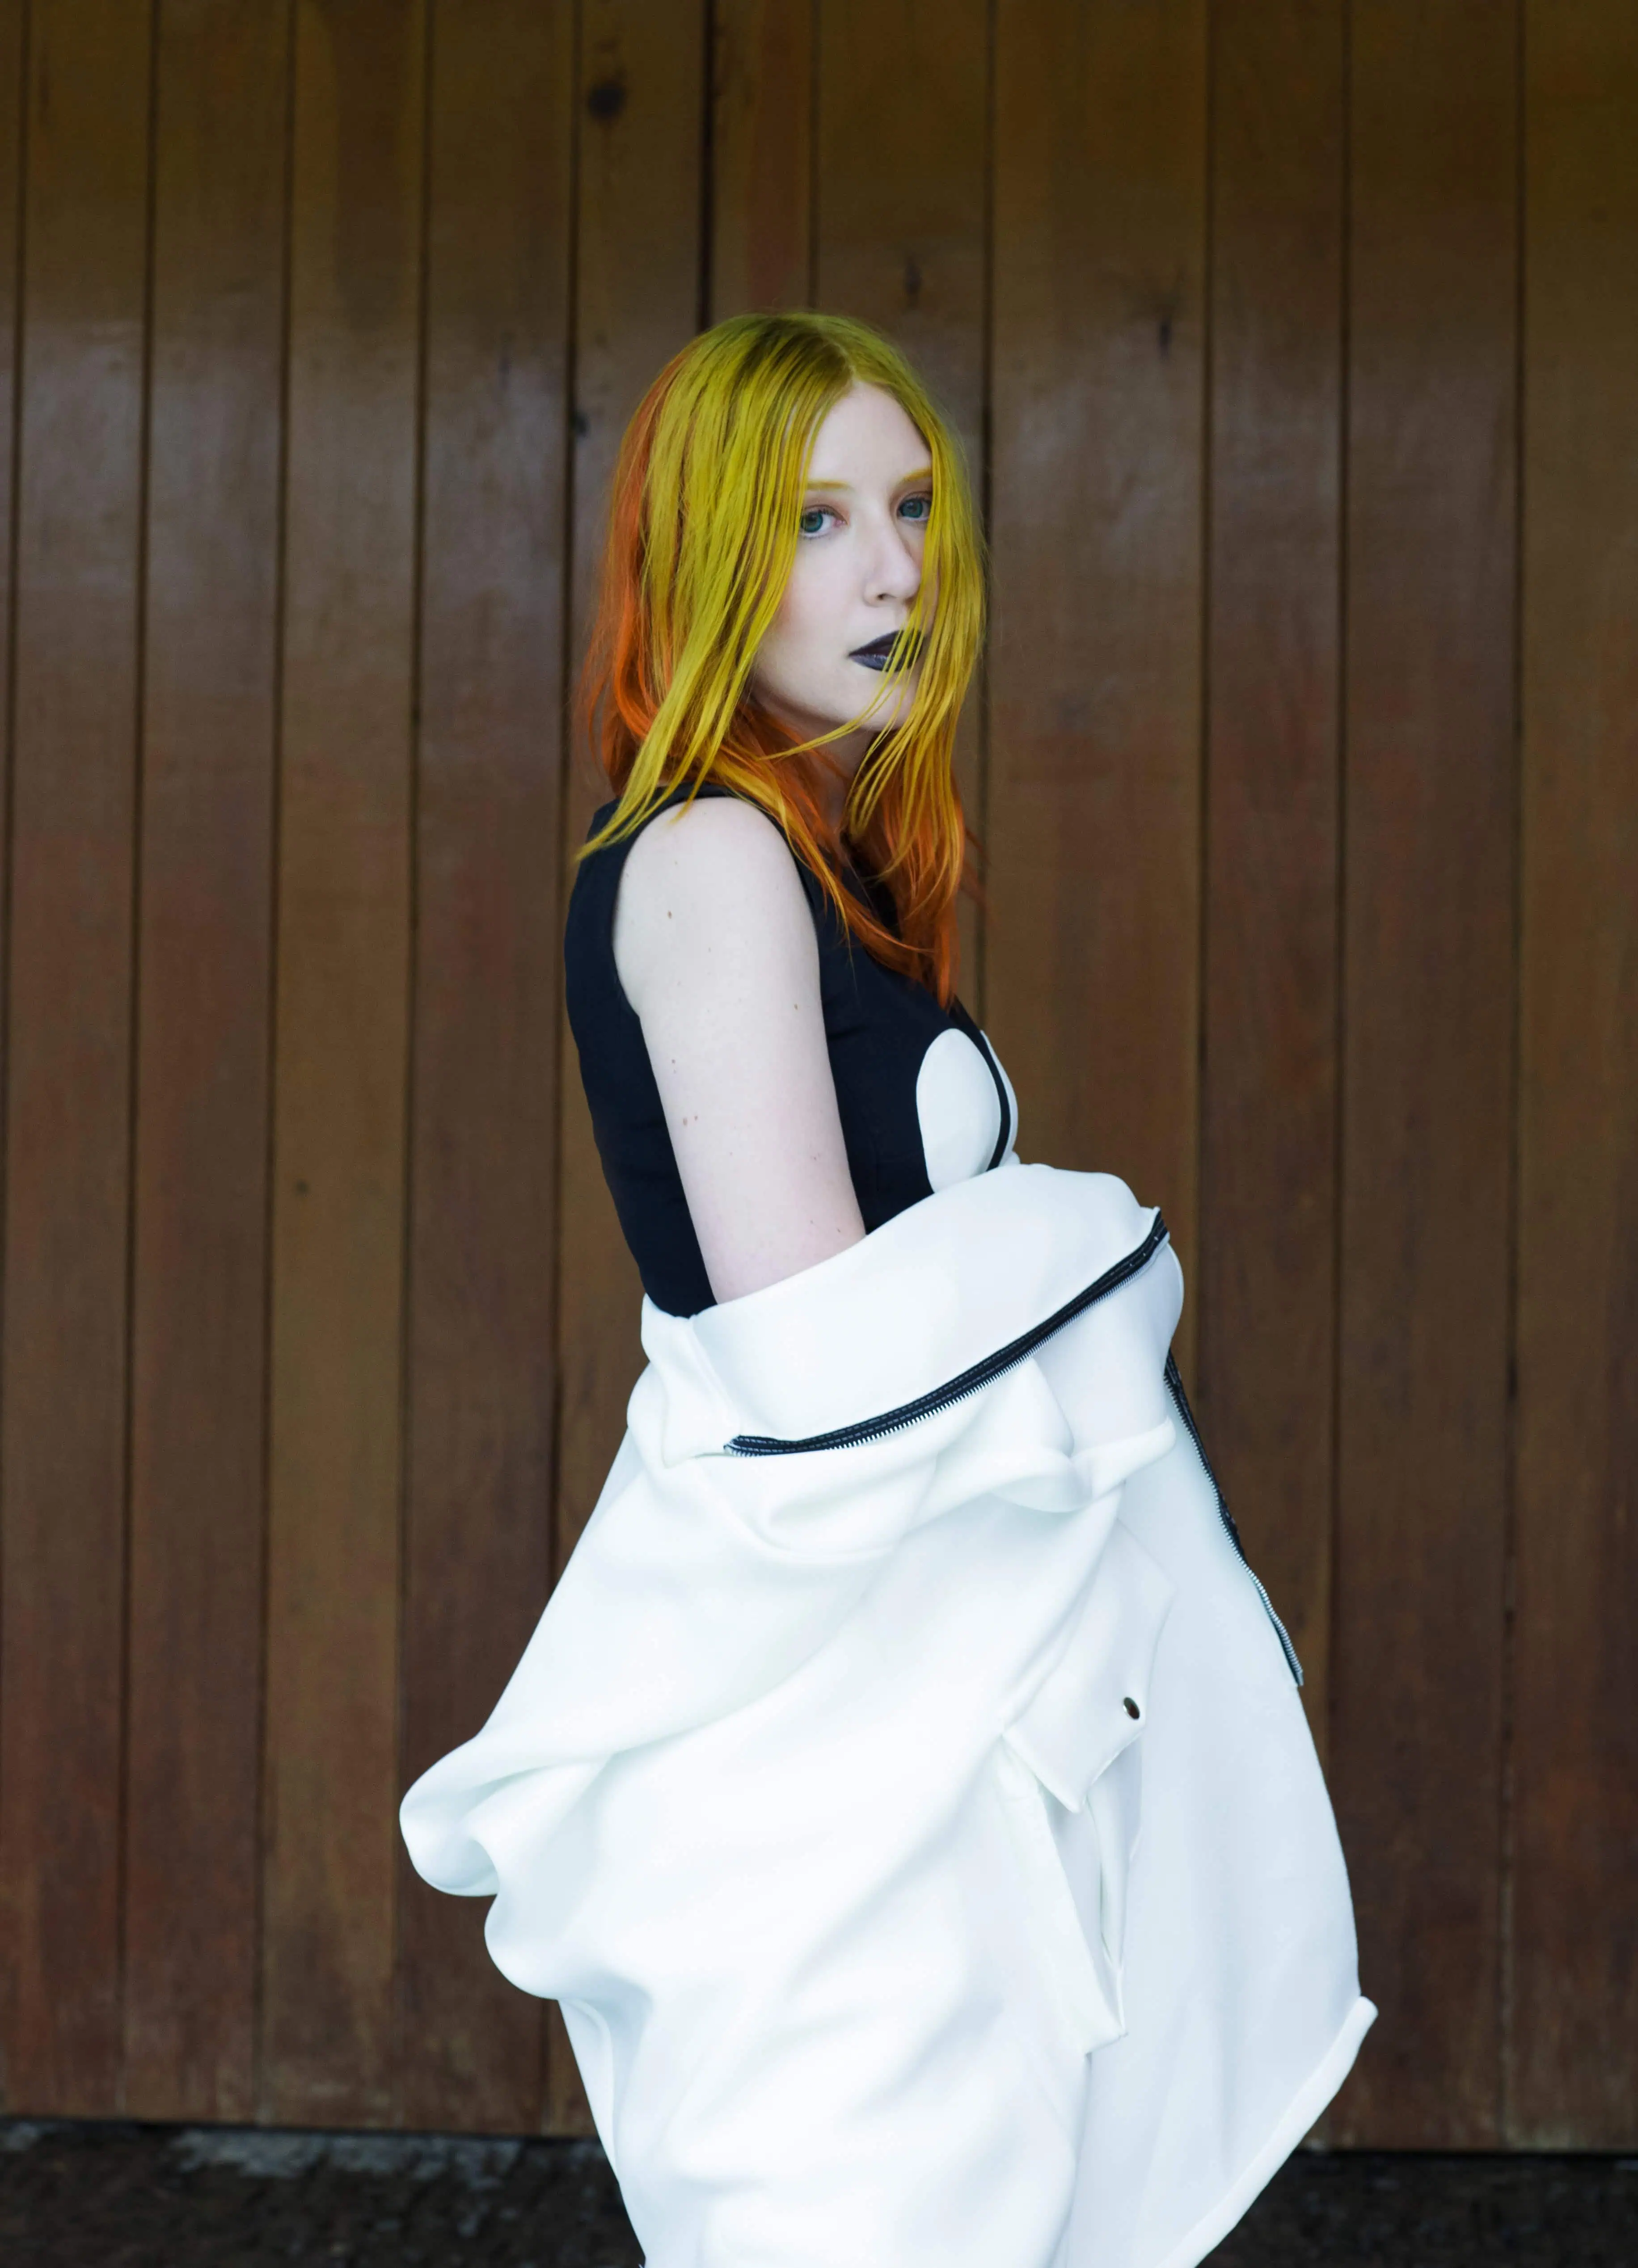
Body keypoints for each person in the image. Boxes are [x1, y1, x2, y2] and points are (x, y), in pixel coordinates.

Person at [400, 313, 1374, 2268]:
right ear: (705, 563)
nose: (894, 570)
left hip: (911, 1702)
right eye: (817, 520)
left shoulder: (818, 859)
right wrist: (1092, 1233)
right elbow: (824, 1360)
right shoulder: (710, 855)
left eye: (911, 509)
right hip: (825, 1736)